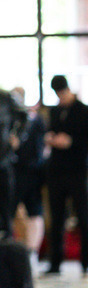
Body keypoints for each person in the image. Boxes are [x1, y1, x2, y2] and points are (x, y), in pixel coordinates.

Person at [42, 76, 88, 277]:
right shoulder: (55, 111)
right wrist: (50, 138)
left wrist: (71, 142)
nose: (60, 97)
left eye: (62, 93)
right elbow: (50, 132)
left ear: (68, 90)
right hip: (56, 171)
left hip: (77, 171)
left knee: (83, 217)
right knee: (57, 218)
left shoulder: (85, 111)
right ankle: (55, 263)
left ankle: (86, 262)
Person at [9, 87, 46, 267]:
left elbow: (41, 148)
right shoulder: (11, 118)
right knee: (9, 211)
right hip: (13, 171)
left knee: (34, 211)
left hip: (32, 172)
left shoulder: (34, 119)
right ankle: (10, 251)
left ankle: (32, 252)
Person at [0, 86, 27, 240]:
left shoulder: (6, 97)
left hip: (3, 159)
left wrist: (17, 136)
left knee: (6, 208)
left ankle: (6, 242)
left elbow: (24, 115)